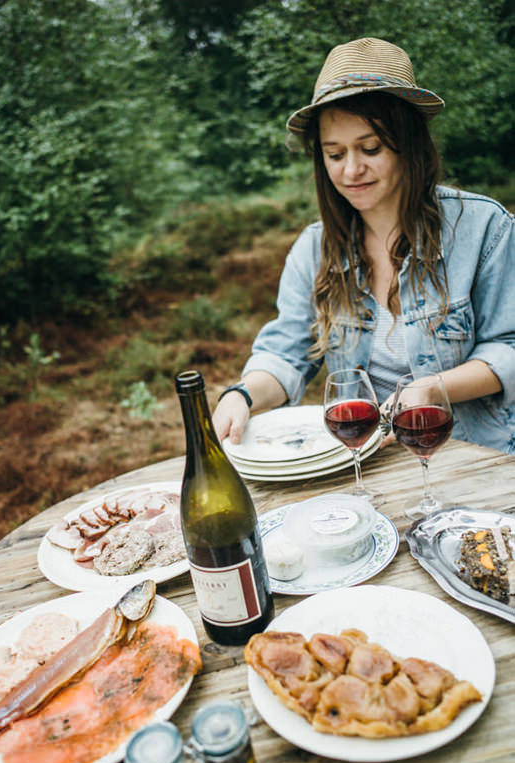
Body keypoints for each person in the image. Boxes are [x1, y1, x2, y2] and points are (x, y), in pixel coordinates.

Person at [213, 37, 515, 454]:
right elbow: (285, 355)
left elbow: (508, 347)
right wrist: (240, 396)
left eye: (370, 148)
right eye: (334, 154)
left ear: (409, 145)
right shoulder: (313, 249)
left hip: (471, 450)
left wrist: (432, 388)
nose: (352, 170)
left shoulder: (483, 227)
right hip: (363, 458)